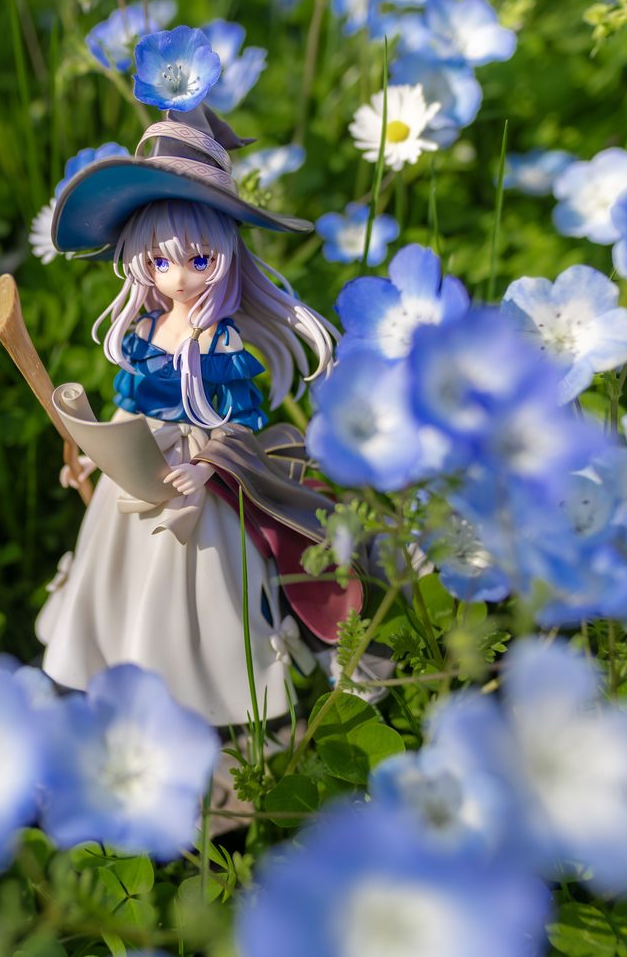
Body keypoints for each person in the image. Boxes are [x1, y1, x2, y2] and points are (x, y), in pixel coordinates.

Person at [35, 106, 376, 727]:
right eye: (160, 263)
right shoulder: (145, 329)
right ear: (140, 264)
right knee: (116, 573)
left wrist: (207, 464)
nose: (178, 277)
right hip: (134, 466)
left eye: (197, 261)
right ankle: (108, 673)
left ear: (224, 258)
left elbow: (240, 420)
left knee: (192, 591)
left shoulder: (221, 343)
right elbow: (131, 402)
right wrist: (94, 453)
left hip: (197, 481)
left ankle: (204, 701)